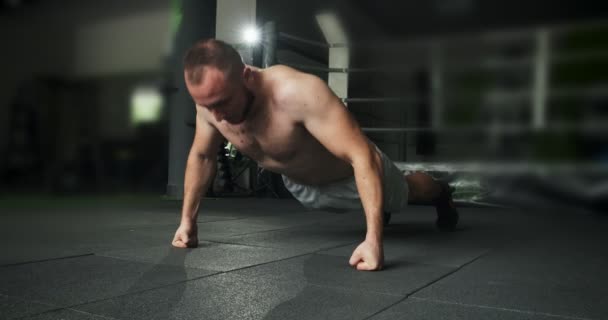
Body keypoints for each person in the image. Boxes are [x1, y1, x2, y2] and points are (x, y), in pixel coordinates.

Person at [171, 39, 459, 271]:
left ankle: (441, 191)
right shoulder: (210, 106)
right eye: (207, 106)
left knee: (409, 191)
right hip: (301, 185)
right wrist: (188, 222)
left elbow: (361, 156)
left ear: (246, 75)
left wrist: (373, 241)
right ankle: (377, 206)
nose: (217, 115)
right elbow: (202, 156)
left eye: (222, 103)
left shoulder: (298, 92)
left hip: (348, 175)